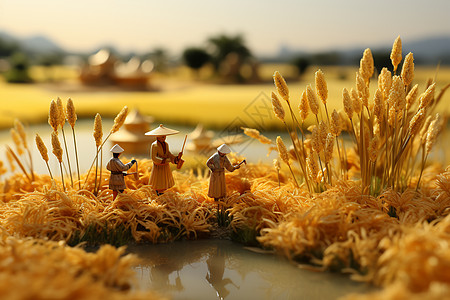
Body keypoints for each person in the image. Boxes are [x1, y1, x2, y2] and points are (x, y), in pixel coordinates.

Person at [145, 124, 182, 195]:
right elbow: (154, 157)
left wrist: (175, 158)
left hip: (165, 166)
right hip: (158, 166)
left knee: (165, 180)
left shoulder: (166, 144)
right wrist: (163, 160)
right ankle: (158, 192)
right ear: (157, 137)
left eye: (165, 136)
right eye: (162, 137)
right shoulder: (154, 145)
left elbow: (168, 153)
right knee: (158, 180)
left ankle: (162, 192)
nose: (164, 138)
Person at [206, 144, 240, 210]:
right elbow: (208, 162)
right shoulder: (215, 156)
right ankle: (215, 200)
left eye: (224, 153)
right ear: (219, 151)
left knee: (221, 186)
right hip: (215, 173)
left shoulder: (225, 158)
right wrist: (212, 168)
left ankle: (221, 201)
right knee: (215, 186)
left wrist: (235, 167)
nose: (223, 154)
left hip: (221, 173)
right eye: (222, 152)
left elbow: (229, 167)